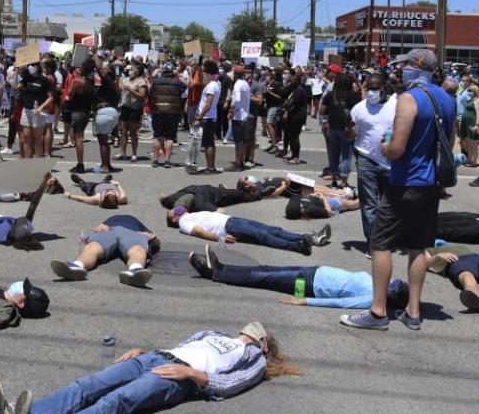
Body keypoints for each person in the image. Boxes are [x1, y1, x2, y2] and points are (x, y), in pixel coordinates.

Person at [0, 321, 299, 414]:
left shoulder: (254, 360)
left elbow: (229, 385)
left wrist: (188, 373)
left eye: (264, 332)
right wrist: (144, 351)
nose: (258, 327)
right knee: (88, 384)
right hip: (157, 358)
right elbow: (184, 347)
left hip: (178, 379)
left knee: (116, 401)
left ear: (264, 342)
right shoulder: (215, 333)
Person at [342, 48, 455, 332]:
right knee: (418, 246)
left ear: (415, 68)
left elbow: (396, 149)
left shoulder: (409, 98)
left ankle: (378, 311)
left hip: (405, 180)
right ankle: (413, 310)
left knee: (380, 243)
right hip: (431, 183)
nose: (400, 69)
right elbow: (448, 144)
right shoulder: (446, 98)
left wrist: (384, 146)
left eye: (404, 64)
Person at [189, 244, 409, 311]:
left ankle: (212, 273)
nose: (391, 280)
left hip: (311, 285)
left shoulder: (373, 298)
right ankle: (223, 267)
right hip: (316, 272)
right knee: (265, 269)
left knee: (260, 278)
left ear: (391, 294)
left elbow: (342, 303)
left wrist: (304, 300)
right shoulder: (380, 285)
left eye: (394, 285)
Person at [350, 72, 396, 247]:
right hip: (366, 160)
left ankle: (386, 237)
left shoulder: (397, 105)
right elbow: (351, 136)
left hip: (391, 163)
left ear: (384, 87)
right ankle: (374, 243)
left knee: (388, 206)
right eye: (368, 88)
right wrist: (347, 126)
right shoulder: (359, 108)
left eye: (375, 88)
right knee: (369, 205)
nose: (371, 92)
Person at [167, 206, 330, 255]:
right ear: (174, 219)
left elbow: (207, 221)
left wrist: (216, 212)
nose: (176, 208)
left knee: (273, 229)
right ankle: (299, 246)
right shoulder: (183, 222)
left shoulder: (192, 214)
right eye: (173, 211)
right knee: (263, 236)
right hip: (228, 227)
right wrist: (220, 238)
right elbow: (198, 232)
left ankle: (309, 238)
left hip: (231, 220)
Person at [50, 214, 160, 287]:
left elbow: (156, 244)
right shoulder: (108, 221)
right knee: (93, 246)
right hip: (108, 231)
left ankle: (135, 271)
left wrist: (152, 237)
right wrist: (98, 227)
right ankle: (76, 266)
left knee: (138, 249)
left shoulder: (136, 222)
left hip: (132, 233)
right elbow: (97, 229)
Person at [320, 72, 360, 189]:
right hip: (347, 129)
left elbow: (322, 111)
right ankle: (343, 182)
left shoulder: (330, 95)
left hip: (332, 128)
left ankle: (333, 181)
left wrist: (324, 124)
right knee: (346, 156)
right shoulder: (354, 96)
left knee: (333, 154)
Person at [148, 61, 185, 168]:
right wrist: (178, 76)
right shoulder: (177, 82)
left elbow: (149, 94)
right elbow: (186, 89)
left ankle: (155, 160)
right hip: (172, 112)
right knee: (170, 137)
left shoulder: (156, 81)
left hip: (158, 111)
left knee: (157, 135)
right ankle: (167, 161)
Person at [17, 61, 53, 158]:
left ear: (38, 67)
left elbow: (50, 97)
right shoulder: (27, 78)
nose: (30, 67)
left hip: (39, 111)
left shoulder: (44, 80)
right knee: (26, 136)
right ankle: (27, 162)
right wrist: (17, 72)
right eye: (29, 65)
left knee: (37, 138)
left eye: (33, 65)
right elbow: (17, 87)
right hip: (27, 109)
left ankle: (37, 162)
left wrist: (41, 107)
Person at [66, 58, 96, 173]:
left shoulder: (77, 81)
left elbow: (70, 95)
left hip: (77, 111)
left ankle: (80, 164)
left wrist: (70, 79)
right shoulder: (90, 81)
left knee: (78, 138)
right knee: (79, 137)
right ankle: (80, 164)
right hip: (86, 112)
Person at [92, 57, 120, 173]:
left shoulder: (108, 82)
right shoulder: (115, 86)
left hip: (104, 112)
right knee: (105, 141)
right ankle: (107, 164)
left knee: (102, 142)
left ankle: (105, 167)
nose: (102, 71)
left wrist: (94, 54)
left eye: (105, 70)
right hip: (112, 113)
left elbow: (98, 68)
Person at [117, 62, 147, 162]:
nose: (130, 71)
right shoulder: (125, 80)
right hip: (125, 107)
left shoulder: (141, 82)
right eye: (130, 70)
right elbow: (120, 88)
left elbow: (141, 96)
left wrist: (130, 89)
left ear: (138, 72)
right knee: (123, 131)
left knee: (133, 132)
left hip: (135, 109)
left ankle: (134, 154)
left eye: (132, 69)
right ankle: (122, 153)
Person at [226, 61, 251, 172]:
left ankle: (238, 164)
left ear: (235, 74)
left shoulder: (237, 84)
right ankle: (240, 163)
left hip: (239, 117)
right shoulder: (245, 83)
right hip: (244, 116)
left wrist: (231, 111)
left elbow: (236, 100)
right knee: (241, 142)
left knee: (238, 143)